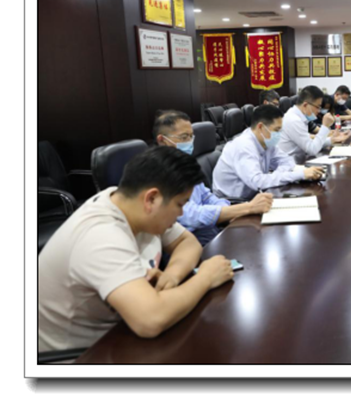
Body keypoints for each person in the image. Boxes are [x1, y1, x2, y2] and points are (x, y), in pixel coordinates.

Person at [39, 146, 236, 352]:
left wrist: (172, 275)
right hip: (81, 355)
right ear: (152, 199)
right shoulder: (100, 235)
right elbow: (150, 320)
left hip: (122, 331)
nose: (180, 214)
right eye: (180, 204)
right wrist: (205, 278)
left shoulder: (131, 204)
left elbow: (187, 242)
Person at [153, 110, 272, 246]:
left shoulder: (184, 165)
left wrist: (228, 213)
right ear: (162, 140)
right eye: (184, 137)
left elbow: (207, 197)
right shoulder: (156, 174)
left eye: (191, 136)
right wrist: (246, 208)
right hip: (184, 239)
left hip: (208, 228)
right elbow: (190, 216)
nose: (190, 142)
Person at [213, 105, 325, 199]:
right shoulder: (244, 146)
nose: (279, 134)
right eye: (277, 130)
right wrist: (298, 174)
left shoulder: (266, 142)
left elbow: (288, 162)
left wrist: (279, 175)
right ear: (261, 127)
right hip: (232, 203)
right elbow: (257, 182)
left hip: (255, 196)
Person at [278, 86, 350, 163]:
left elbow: (310, 143)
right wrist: (325, 126)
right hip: (290, 165)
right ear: (305, 105)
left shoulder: (300, 117)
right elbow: (312, 150)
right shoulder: (294, 120)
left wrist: (332, 140)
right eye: (317, 107)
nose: (319, 111)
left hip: (299, 160)